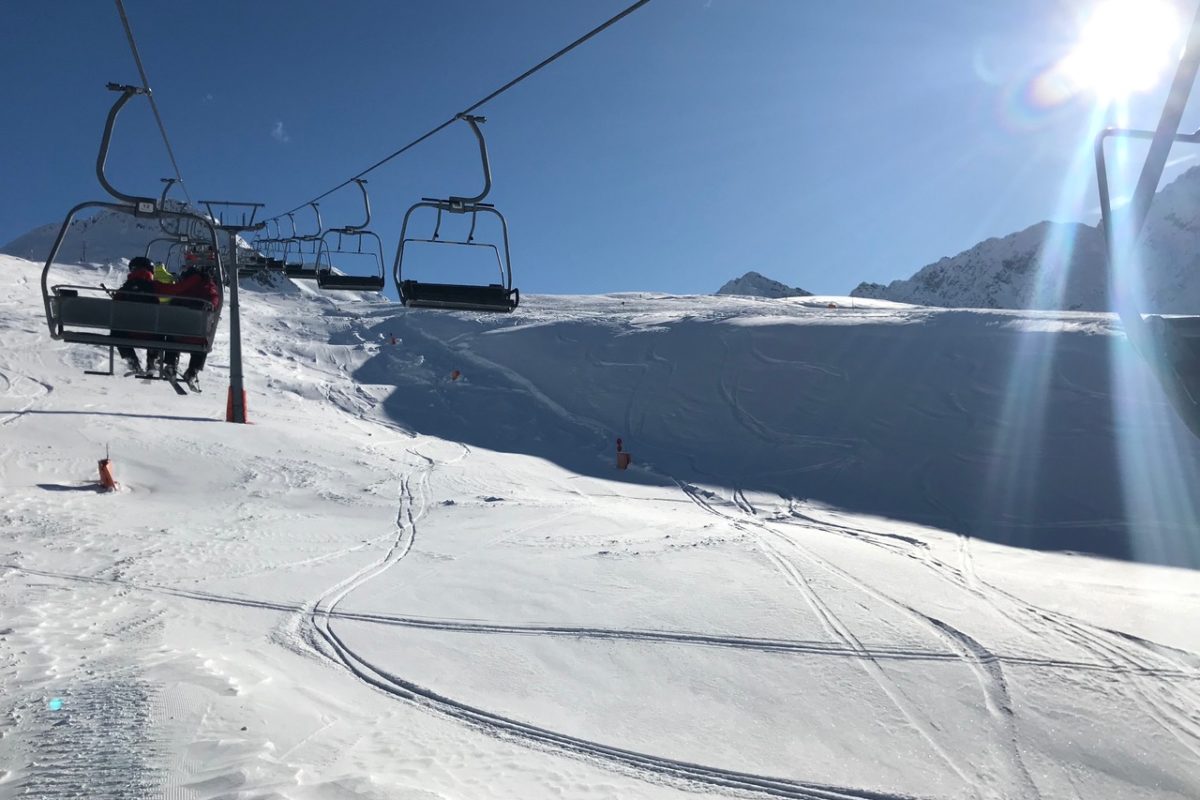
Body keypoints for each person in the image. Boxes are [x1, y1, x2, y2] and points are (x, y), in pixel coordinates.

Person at [154, 262, 220, 389]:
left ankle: (170, 363)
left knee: (172, 331)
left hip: (178, 334)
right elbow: (214, 300)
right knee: (205, 342)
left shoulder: (184, 287)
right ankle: (192, 371)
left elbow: (172, 297)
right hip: (198, 336)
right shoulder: (208, 287)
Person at [113, 256, 161, 374]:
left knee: (116, 331)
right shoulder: (156, 287)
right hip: (152, 333)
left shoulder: (125, 288)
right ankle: (152, 360)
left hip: (128, 333)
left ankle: (131, 359)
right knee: (162, 328)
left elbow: (115, 304)